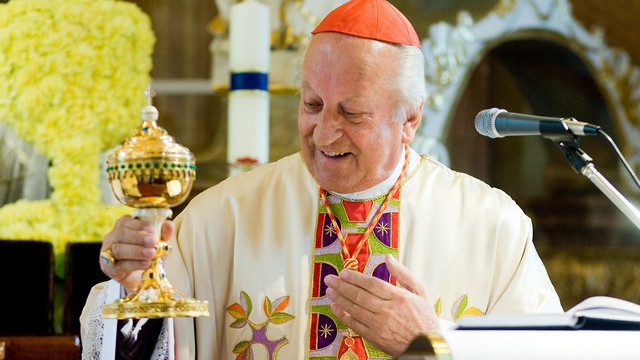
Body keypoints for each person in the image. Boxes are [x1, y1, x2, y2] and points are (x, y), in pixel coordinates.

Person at [81, 0, 563, 358]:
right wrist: (133, 283)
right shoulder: (222, 217)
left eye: (352, 112)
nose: (325, 131)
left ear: (409, 119)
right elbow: (146, 340)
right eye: (311, 104)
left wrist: (434, 344)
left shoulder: (492, 226)